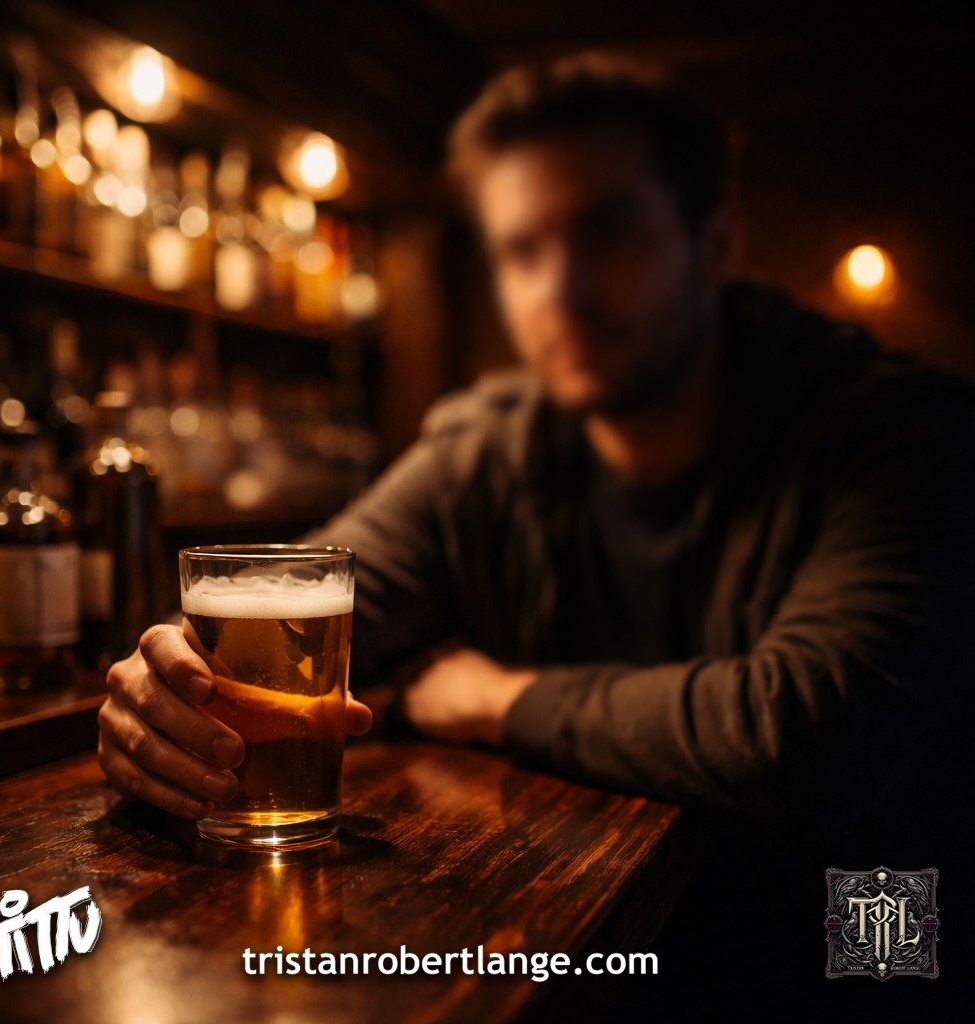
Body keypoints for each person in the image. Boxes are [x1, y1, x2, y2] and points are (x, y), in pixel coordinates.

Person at [98, 53, 974, 1007]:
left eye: (609, 234)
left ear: (715, 244)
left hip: (864, 939)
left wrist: (497, 698)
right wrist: (164, 700)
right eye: (523, 250)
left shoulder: (905, 431)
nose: (561, 288)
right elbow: (299, 602)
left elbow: (813, 737)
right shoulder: (490, 446)